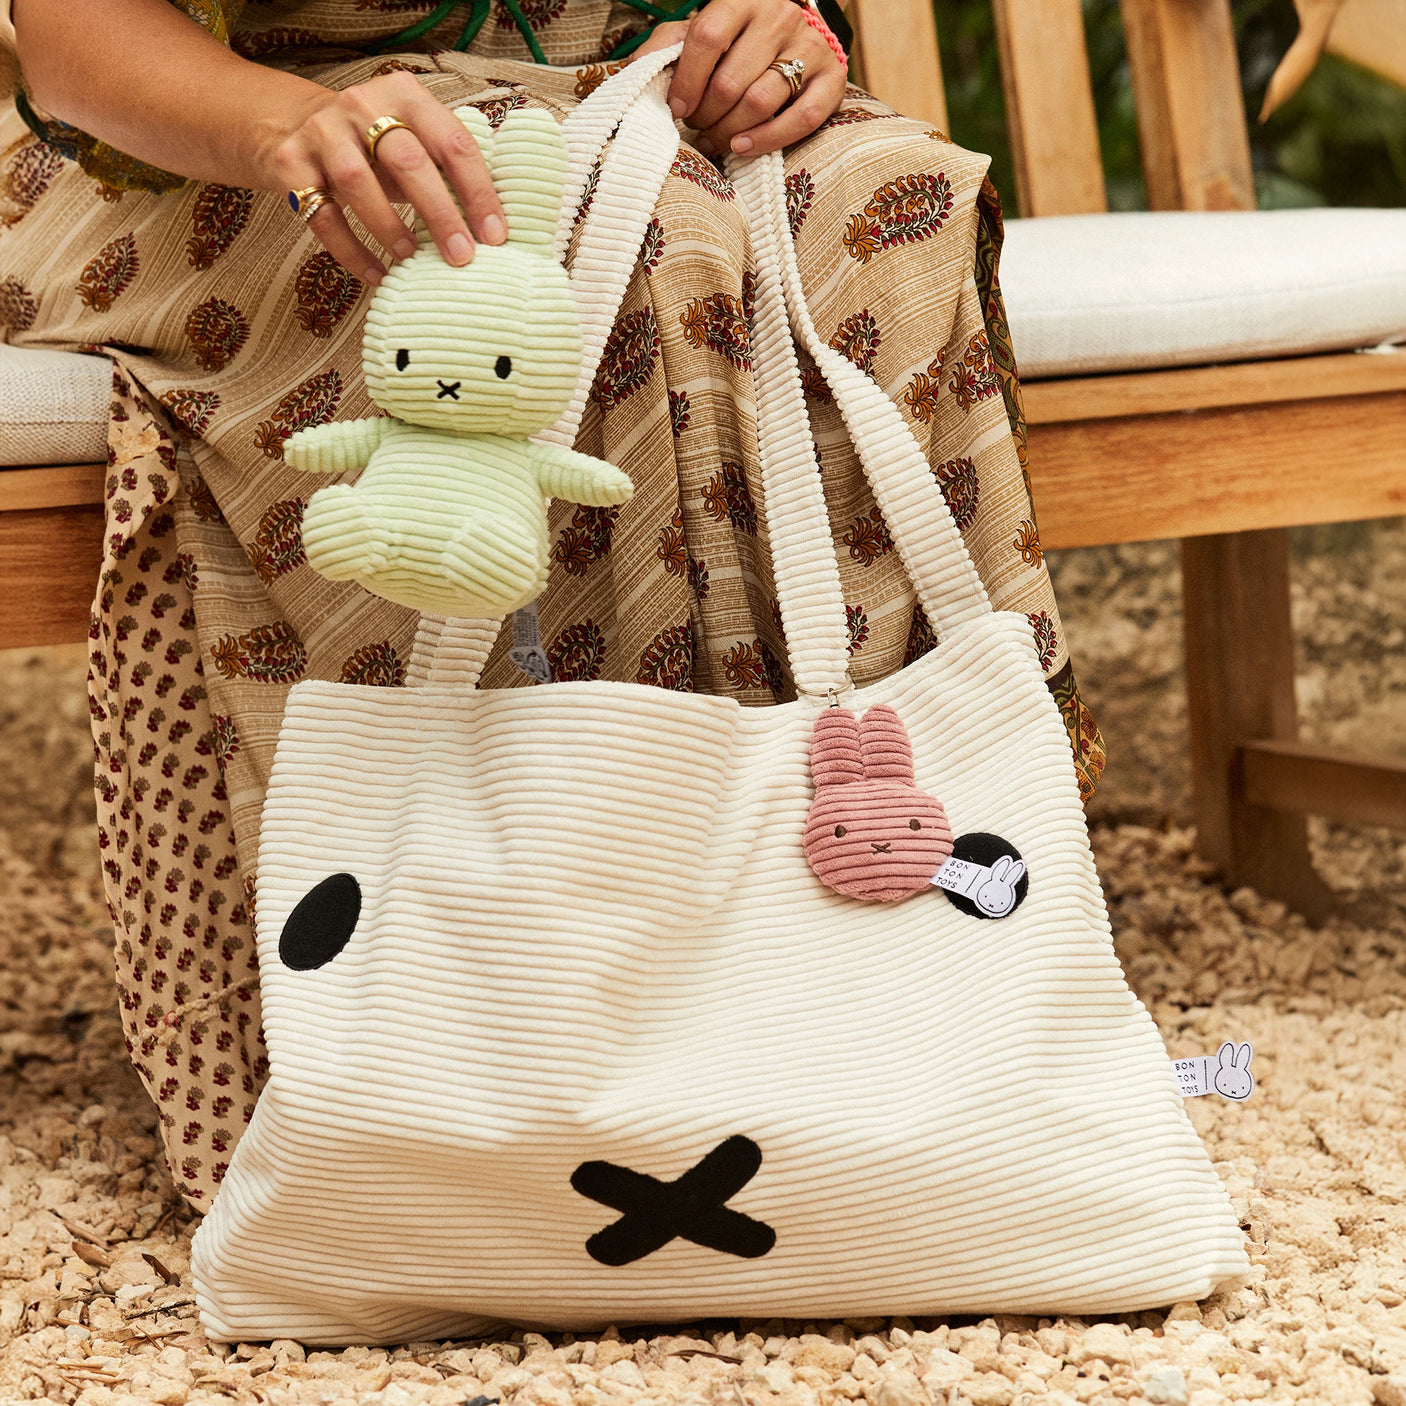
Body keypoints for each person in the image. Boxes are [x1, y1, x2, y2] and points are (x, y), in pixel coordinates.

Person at [1, 0, 1105, 1210]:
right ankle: (517, 1040)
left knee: (886, 196)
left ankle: (890, 999)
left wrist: (771, 30)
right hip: (239, 138)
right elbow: (73, 36)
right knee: (553, 250)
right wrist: (294, 122)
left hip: (637, 98)